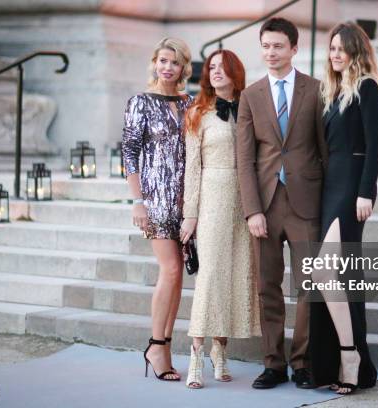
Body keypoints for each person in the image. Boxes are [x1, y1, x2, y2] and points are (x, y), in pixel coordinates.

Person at [236, 17, 327, 390]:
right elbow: (245, 158)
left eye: (278, 46)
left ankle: (303, 361)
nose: (271, 52)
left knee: (310, 285)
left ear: (294, 48)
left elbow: (325, 150)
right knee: (267, 286)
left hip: (307, 202)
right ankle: (273, 363)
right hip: (267, 205)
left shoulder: (317, 89)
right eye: (265, 46)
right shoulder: (250, 95)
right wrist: (252, 210)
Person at [309, 22, 378, 395]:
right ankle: (344, 357)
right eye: (331, 48)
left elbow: (375, 144)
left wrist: (366, 192)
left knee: (323, 272)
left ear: (356, 51)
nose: (334, 55)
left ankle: (350, 354)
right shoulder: (333, 91)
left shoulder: (367, 87)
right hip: (329, 188)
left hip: (351, 190)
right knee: (336, 276)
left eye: (341, 49)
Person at [180, 49, 261, 389]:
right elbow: (192, 169)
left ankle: (220, 350)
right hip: (212, 196)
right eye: (210, 68)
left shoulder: (251, 108)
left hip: (245, 201)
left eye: (221, 67)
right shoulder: (198, 112)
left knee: (237, 275)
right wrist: (190, 214)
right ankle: (196, 356)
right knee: (211, 276)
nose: (214, 72)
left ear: (235, 72)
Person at [121, 37, 193, 382]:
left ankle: (164, 344)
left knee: (178, 274)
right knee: (170, 270)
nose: (167, 67)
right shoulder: (140, 102)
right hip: (156, 200)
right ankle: (156, 345)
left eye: (174, 63)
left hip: (186, 201)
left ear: (183, 68)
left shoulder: (190, 102)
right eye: (163, 60)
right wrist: (138, 201)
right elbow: (129, 154)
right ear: (154, 62)